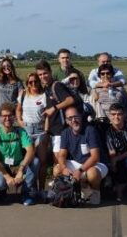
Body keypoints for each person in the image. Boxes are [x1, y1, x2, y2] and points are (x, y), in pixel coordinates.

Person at [36, 60, 78, 194]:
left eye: (45, 73)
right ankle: (62, 188)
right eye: (40, 75)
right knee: (58, 163)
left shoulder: (56, 86)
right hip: (53, 131)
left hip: (61, 130)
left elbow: (70, 100)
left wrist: (55, 108)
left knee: (59, 163)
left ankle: (61, 190)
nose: (43, 77)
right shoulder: (47, 88)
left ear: (50, 72)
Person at [0, 102, 39, 206]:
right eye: (4, 116)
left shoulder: (21, 132)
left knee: (36, 161)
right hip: (2, 167)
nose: (7, 118)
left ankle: (26, 192)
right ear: (0, 117)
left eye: (10, 115)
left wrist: (21, 170)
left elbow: (30, 150)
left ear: (14, 117)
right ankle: (2, 191)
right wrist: (7, 177)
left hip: (18, 165)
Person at [56, 106, 107, 205]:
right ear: (66, 121)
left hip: (96, 164)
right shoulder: (65, 133)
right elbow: (62, 155)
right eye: (70, 118)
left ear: (81, 116)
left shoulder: (90, 130)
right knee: (57, 170)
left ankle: (95, 192)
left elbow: (95, 157)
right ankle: (82, 189)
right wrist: (63, 168)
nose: (73, 120)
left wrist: (80, 171)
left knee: (92, 173)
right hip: (77, 163)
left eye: (76, 117)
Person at [104, 103, 127, 201]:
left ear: (124, 115)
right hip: (118, 155)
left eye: (119, 114)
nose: (116, 117)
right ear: (109, 115)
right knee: (113, 167)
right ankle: (119, 187)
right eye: (113, 114)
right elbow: (111, 152)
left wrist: (116, 159)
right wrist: (114, 162)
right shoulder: (108, 131)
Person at [16, 72, 47, 149]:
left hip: (40, 129)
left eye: (36, 81)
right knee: (29, 155)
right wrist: (19, 121)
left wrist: (46, 129)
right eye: (30, 82)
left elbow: (47, 114)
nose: (33, 84)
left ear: (39, 82)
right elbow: (18, 110)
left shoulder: (44, 95)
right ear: (27, 83)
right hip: (26, 129)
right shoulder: (23, 94)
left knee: (41, 157)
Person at [0, 58, 24, 125]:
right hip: (0, 112)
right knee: (1, 132)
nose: (6, 68)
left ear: (11, 66)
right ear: (1, 68)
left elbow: (22, 97)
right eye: (4, 67)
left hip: (12, 113)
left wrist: (19, 110)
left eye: (8, 66)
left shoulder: (18, 82)